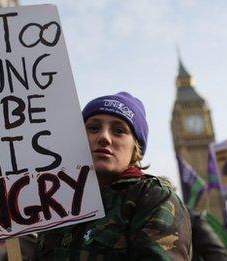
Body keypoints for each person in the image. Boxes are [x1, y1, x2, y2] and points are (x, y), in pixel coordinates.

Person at [34, 92, 192, 260]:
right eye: (93, 128)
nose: (104, 137)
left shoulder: (153, 196)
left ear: (135, 148)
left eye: (118, 131)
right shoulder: (58, 204)